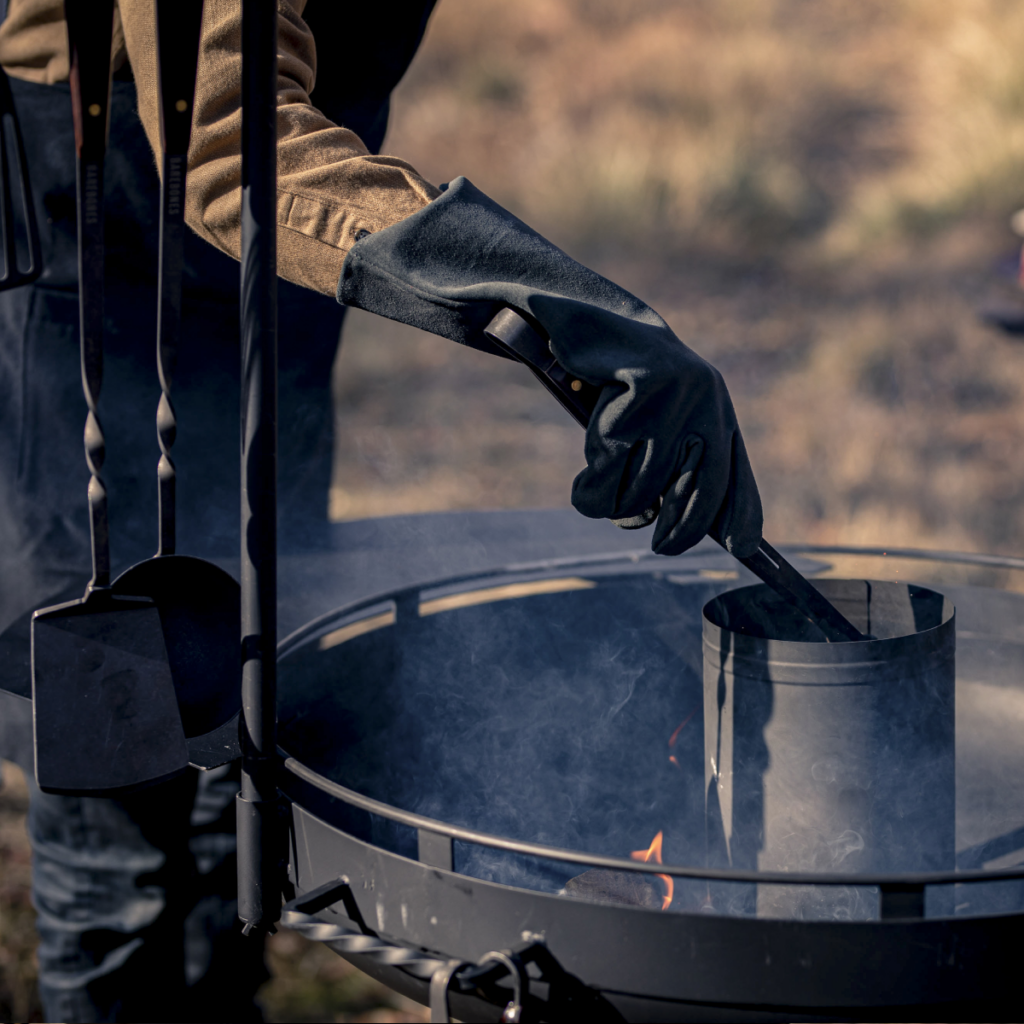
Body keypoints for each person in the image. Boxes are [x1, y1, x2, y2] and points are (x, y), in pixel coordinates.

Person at [0, 1, 761, 1020]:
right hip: (95, 281)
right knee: (121, 831)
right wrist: (543, 299)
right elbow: (230, 148)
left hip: (277, 289)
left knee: (251, 719)